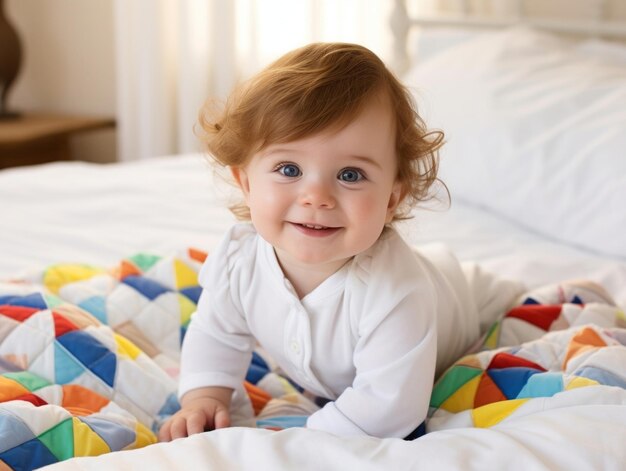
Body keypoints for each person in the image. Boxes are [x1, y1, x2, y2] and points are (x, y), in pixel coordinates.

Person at [159, 42, 520, 442]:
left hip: (458, 297)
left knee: (500, 293)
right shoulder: (239, 259)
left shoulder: (397, 291)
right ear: (245, 182)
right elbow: (216, 332)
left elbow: (388, 407)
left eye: (350, 175)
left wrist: (296, 443)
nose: (316, 196)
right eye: (289, 168)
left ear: (391, 199)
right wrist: (204, 396)